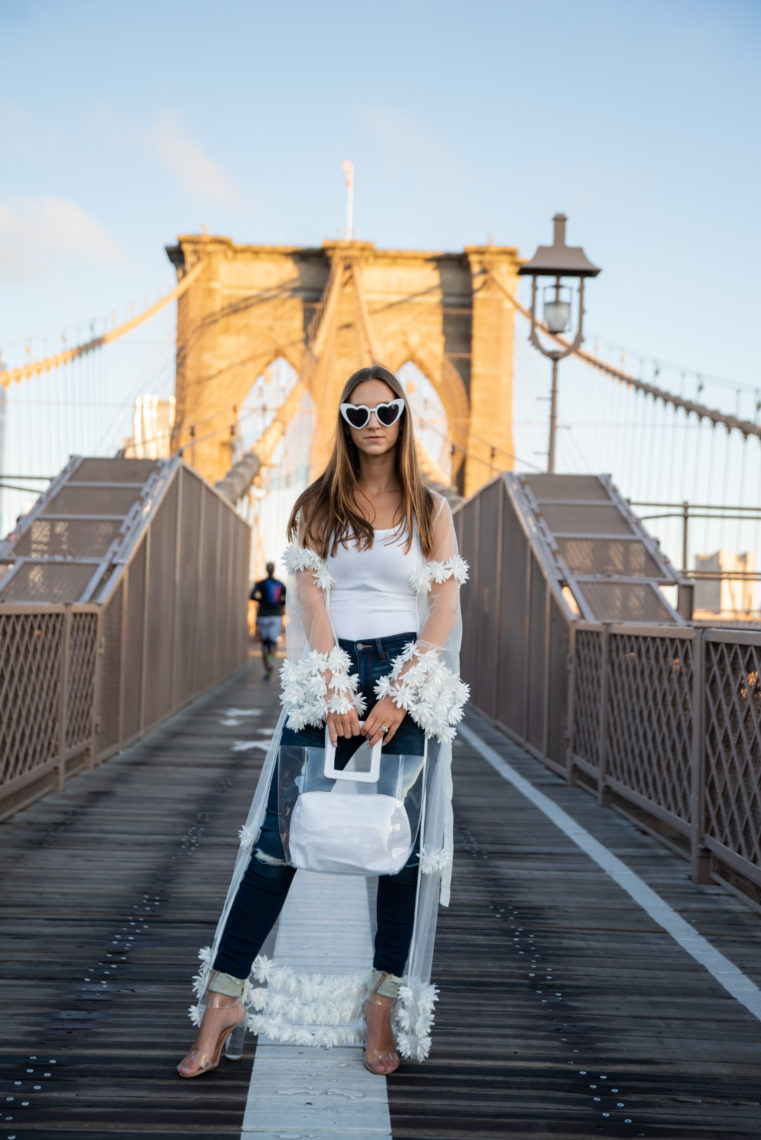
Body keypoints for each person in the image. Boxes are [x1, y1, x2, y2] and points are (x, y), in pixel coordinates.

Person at [177, 364, 469, 1080]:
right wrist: (335, 684)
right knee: (279, 840)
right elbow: (310, 603)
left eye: (386, 411)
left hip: (407, 673)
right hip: (327, 675)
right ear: (341, 421)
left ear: (404, 418)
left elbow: (443, 609)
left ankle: (380, 1006)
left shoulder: (431, 508)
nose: (372, 424)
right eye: (357, 413)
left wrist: (400, 691)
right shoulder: (317, 504)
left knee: (399, 853)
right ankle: (222, 1002)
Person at [250, 562, 286, 678]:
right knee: (273, 642)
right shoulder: (280, 584)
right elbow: (288, 598)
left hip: (263, 615)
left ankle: (267, 668)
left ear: (266, 570)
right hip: (275, 615)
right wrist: (279, 604)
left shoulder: (260, 583)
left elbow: (251, 596)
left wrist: (261, 601)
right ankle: (271, 660)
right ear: (274, 569)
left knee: (264, 643)